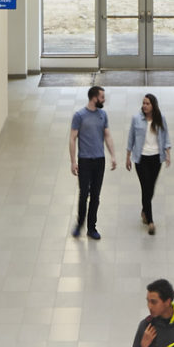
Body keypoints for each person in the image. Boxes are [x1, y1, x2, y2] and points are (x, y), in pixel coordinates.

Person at [67, 85, 112, 239]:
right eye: (102, 97)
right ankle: (79, 224)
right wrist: (73, 161)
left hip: (100, 161)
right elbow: (72, 138)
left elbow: (107, 135)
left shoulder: (103, 115)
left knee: (95, 195)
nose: (103, 100)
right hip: (85, 160)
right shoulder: (79, 116)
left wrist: (112, 155)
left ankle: (91, 227)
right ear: (94, 98)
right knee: (83, 193)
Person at [124, 91, 171, 232]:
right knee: (145, 187)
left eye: (147, 103)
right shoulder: (136, 119)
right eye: (143, 103)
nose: (144, 106)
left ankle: (145, 210)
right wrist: (128, 156)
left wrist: (168, 153)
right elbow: (131, 137)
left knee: (150, 189)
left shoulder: (160, 118)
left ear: (153, 105)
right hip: (141, 158)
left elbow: (166, 135)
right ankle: (150, 221)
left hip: (156, 157)